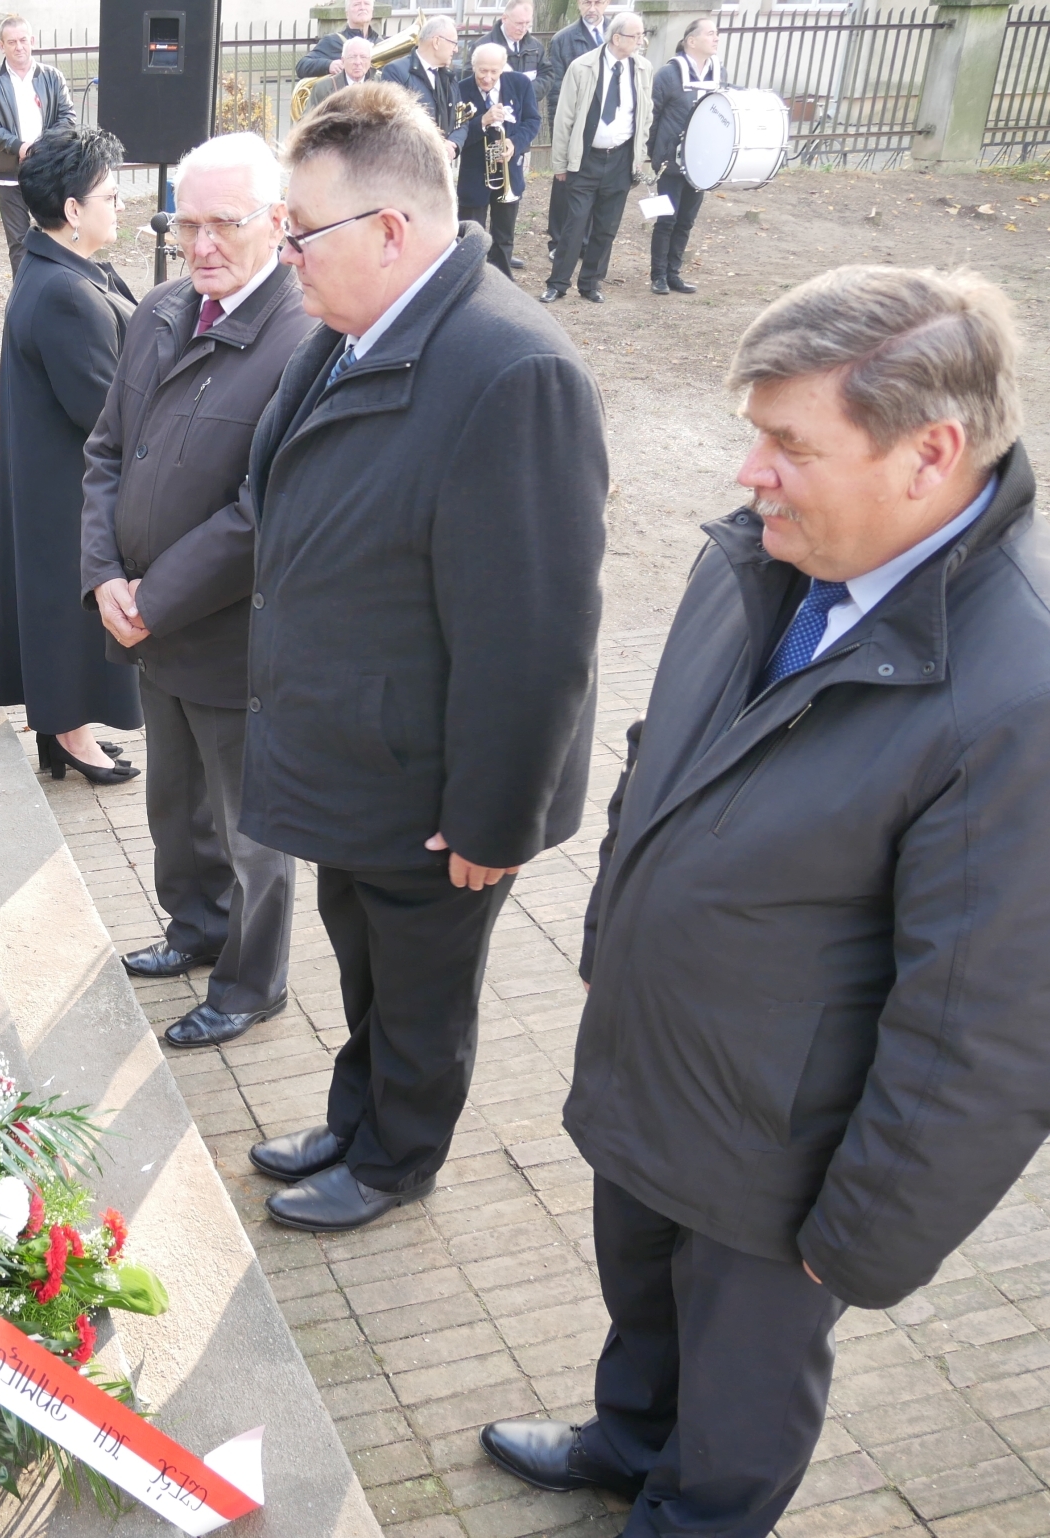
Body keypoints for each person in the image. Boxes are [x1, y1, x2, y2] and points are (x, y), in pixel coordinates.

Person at [482, 267, 1048, 1537]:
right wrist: (606, 942)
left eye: (789, 443)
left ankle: (696, 1514)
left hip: (783, 1164)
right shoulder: (761, 557)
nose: (750, 473)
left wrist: (858, 1236)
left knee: (740, 1392)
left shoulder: (1016, 698)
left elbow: (987, 1032)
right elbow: (657, 758)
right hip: (655, 1073)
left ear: (928, 453)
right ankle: (630, 1442)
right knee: (640, 1301)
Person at [238, 83, 606, 1234]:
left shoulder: (509, 371)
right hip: (357, 759)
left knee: (421, 985)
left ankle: (396, 1158)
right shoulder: (353, 333)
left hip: (434, 789)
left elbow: (535, 635)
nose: (285, 254)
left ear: (389, 230)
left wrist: (493, 819)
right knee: (366, 964)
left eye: (302, 231)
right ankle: (356, 1119)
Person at [79, 133, 318, 1047]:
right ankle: (196, 930)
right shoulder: (162, 309)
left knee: (251, 827)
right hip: (149, 624)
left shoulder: (303, 338)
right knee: (175, 808)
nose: (202, 244)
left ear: (278, 221)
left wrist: (154, 597)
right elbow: (107, 449)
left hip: (230, 637)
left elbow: (267, 508)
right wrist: (104, 575)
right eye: (187, 223)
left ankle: (252, 983)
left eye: (225, 223)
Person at [0, 127, 142, 784]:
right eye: (110, 196)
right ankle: (69, 734)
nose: (121, 205)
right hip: (67, 485)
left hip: (51, 477)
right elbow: (108, 411)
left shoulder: (53, 269)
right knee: (67, 611)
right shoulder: (66, 294)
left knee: (59, 607)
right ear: (73, 209)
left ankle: (64, 731)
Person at [542, 13, 652, 305]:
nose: (641, 41)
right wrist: (561, 164)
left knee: (606, 227)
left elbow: (645, 116)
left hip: (621, 159)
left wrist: (638, 156)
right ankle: (557, 284)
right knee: (575, 223)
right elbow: (564, 118)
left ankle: (591, 284)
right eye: (636, 36)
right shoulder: (582, 67)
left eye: (642, 34)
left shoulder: (643, 68)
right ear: (617, 38)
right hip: (586, 158)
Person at [0, 15, 77, 275]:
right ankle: (25, 293)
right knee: (19, 242)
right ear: (2, 46)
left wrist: (43, 147)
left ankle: (57, 290)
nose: (19, 47)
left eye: (23, 40)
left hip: (48, 170)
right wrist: (19, 147)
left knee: (57, 235)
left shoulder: (52, 77)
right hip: (9, 174)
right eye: (11, 42)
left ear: (32, 41)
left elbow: (67, 118)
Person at [648, 18, 721, 295]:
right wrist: (654, 154)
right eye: (710, 33)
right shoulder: (669, 74)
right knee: (666, 219)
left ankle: (674, 274)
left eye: (716, 34)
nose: (716, 38)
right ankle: (658, 276)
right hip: (671, 161)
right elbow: (652, 116)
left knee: (686, 221)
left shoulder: (718, 72)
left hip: (702, 163)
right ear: (691, 41)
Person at [457, 43, 540, 278]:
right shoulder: (460, 89)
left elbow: (532, 121)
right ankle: (469, 280)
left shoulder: (520, 83)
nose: (488, 77)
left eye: (494, 71)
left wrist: (514, 143)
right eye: (482, 71)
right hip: (474, 174)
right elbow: (456, 132)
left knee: (504, 236)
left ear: (503, 67)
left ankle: (502, 279)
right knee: (470, 235)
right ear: (473, 66)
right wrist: (482, 121)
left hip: (508, 172)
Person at [540, 0, 609, 258]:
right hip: (575, 122)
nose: (592, 7)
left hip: (607, 123)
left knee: (597, 184)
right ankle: (558, 242)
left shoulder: (618, 34)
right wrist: (559, 129)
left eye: (598, 2)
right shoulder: (563, 39)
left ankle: (586, 242)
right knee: (565, 183)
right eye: (586, 2)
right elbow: (556, 90)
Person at [379, 18, 468, 154]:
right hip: (410, 162)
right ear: (437, 42)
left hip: (441, 162)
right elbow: (396, 123)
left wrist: (454, 144)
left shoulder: (449, 77)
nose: (456, 49)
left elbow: (461, 120)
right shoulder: (395, 71)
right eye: (453, 43)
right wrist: (437, 145)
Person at [296, 0, 379, 80]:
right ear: (347, 13)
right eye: (357, 4)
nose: (362, 7)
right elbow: (302, 66)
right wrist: (328, 65)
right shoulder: (332, 41)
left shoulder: (380, 42)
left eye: (366, 3)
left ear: (372, 11)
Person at [466, 0, 543, 82]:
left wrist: (529, 88)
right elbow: (470, 78)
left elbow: (547, 73)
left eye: (527, 23)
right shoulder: (482, 46)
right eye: (519, 23)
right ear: (504, 19)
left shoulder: (536, 46)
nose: (523, 29)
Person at [308, 36, 376, 110]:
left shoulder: (380, 83)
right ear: (343, 61)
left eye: (363, 57)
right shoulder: (322, 88)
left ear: (370, 61)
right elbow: (308, 116)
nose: (357, 62)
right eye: (352, 57)